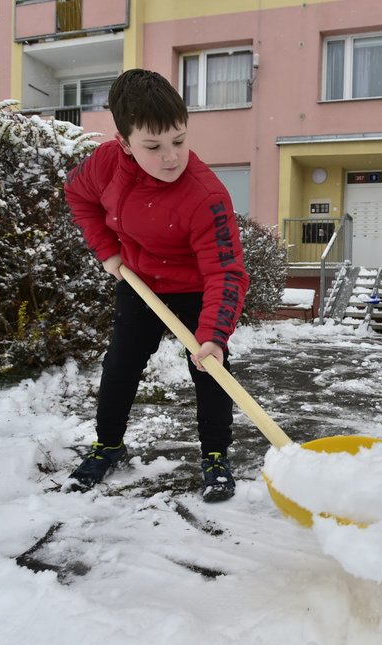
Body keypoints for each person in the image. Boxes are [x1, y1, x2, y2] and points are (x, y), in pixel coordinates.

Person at [63, 69, 249, 502]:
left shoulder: (206, 196)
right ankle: (108, 445)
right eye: (153, 146)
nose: (171, 157)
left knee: (210, 371)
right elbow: (78, 196)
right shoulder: (107, 163)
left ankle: (217, 457)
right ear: (125, 143)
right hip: (140, 282)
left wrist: (214, 337)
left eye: (179, 141)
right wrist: (107, 251)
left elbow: (225, 272)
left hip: (196, 287)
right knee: (121, 365)